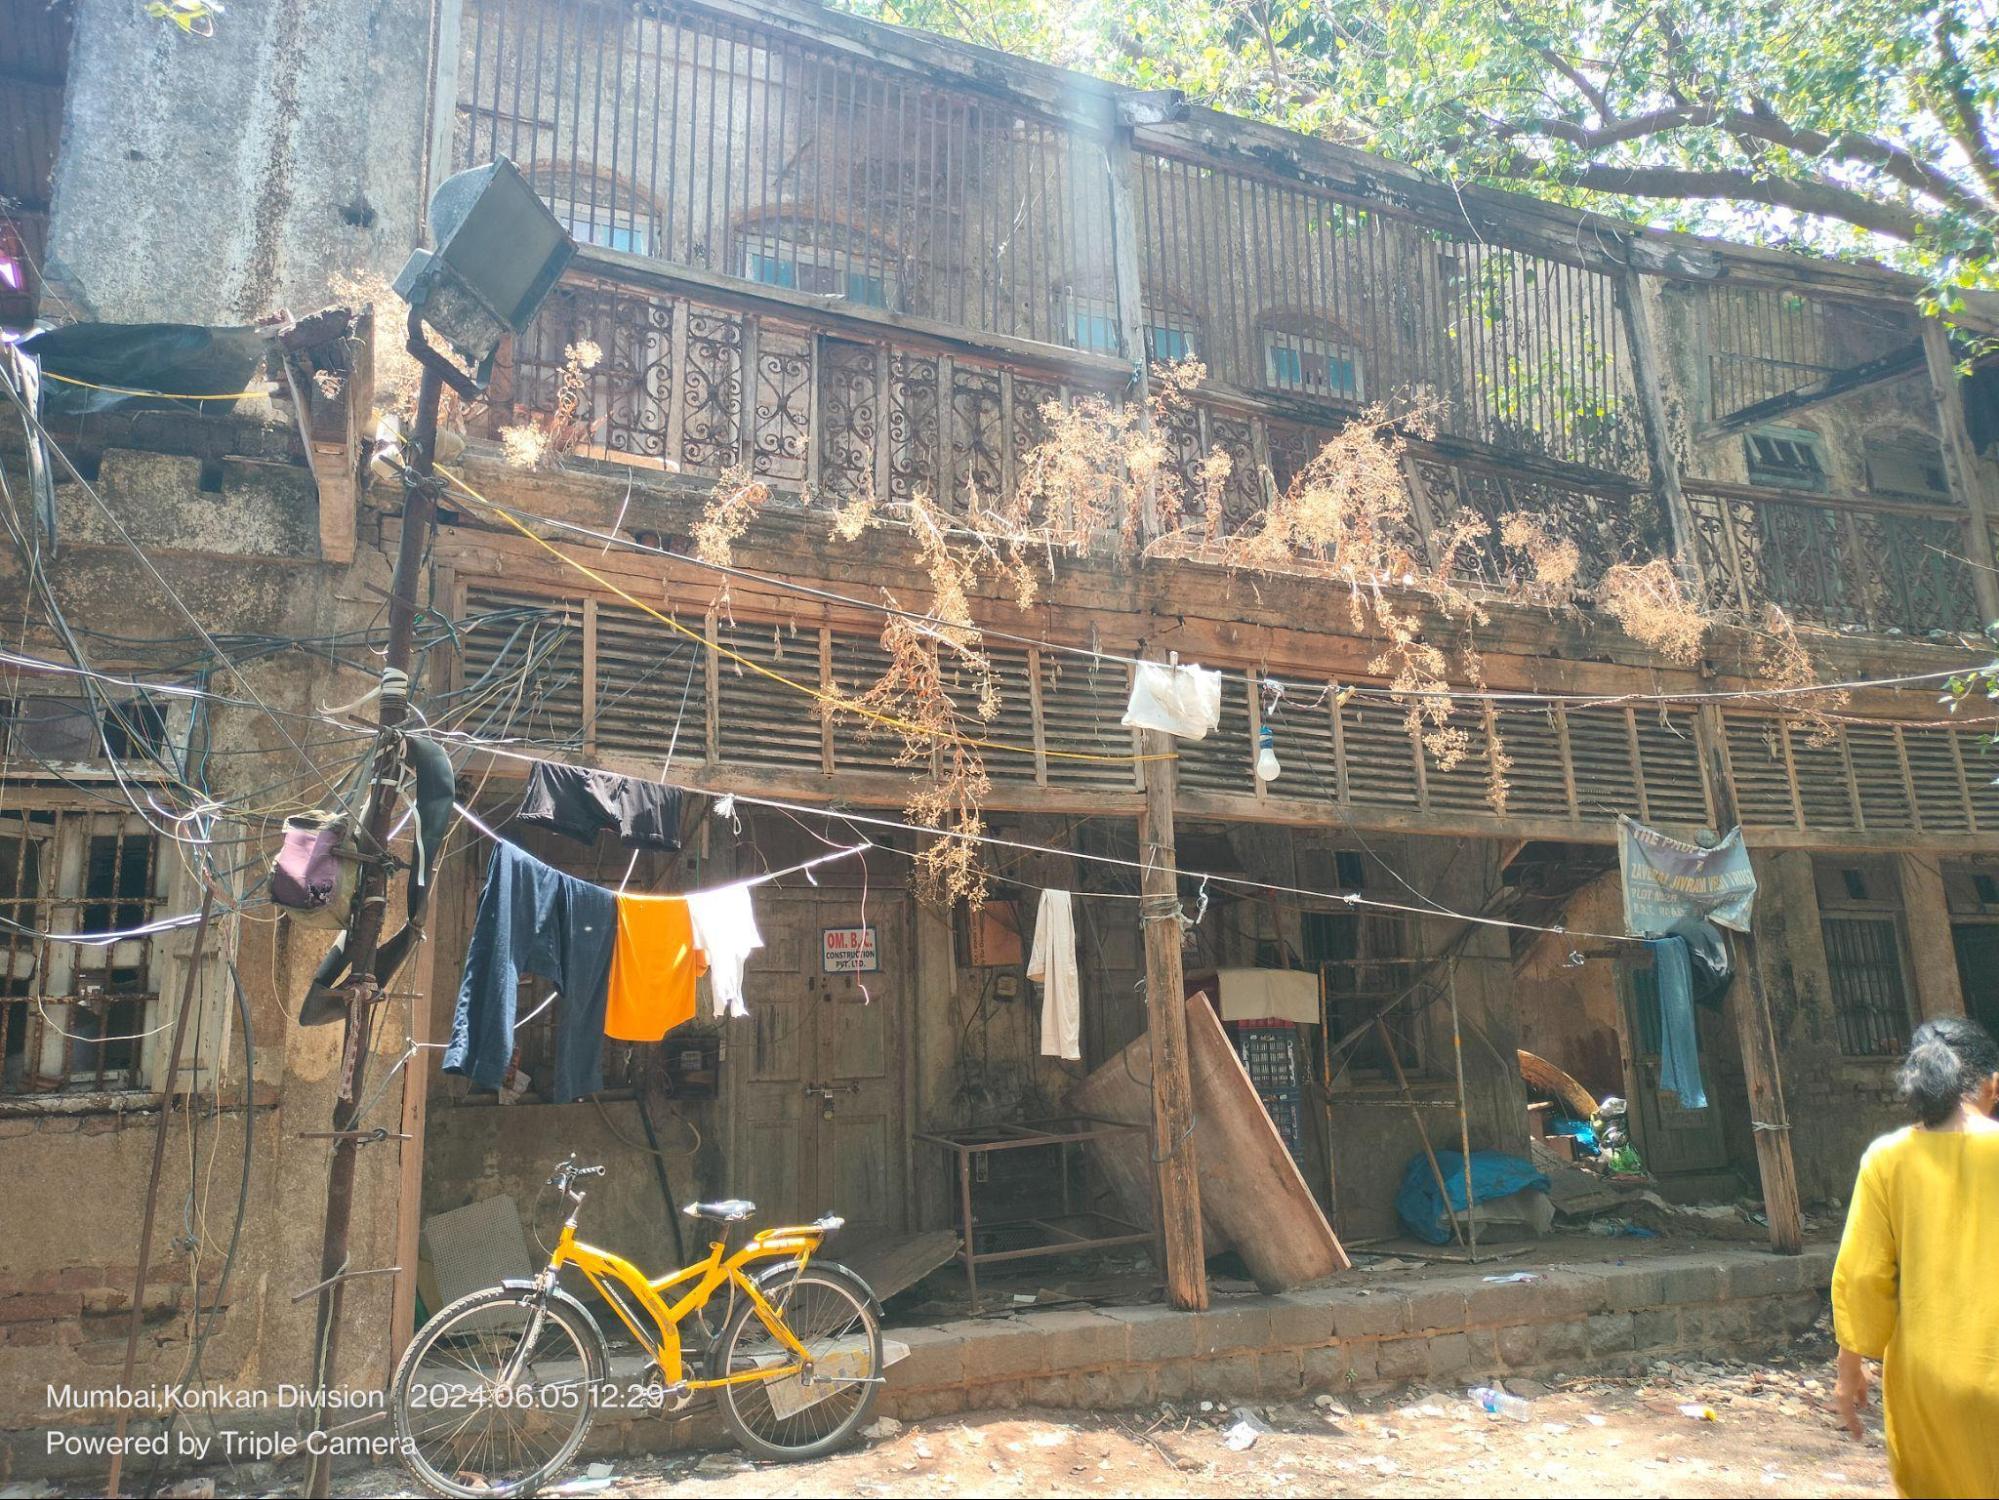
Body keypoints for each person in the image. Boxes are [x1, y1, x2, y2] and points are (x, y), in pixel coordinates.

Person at [1831, 1015, 1999, 1497]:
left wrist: (1850, 1367)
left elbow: (1863, 1276)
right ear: (1992, 1085)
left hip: (1926, 1381)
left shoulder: (1886, 1158)